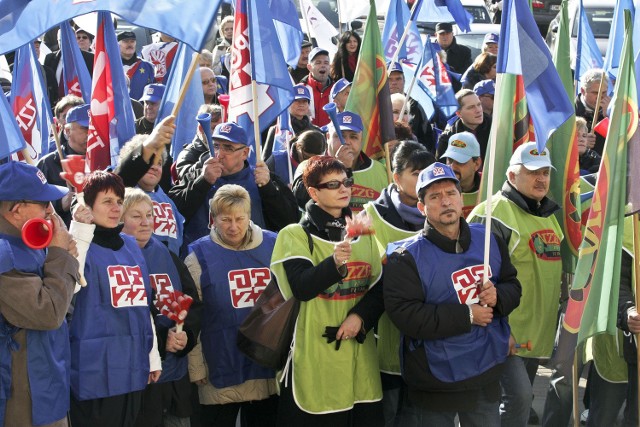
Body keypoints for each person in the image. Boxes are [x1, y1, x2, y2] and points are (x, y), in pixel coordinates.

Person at [383, 162, 521, 426]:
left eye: (450, 193)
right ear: (422, 207)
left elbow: (512, 285)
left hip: (485, 369)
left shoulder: (489, 239)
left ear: (461, 200)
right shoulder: (405, 256)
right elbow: (406, 316)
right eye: (435, 196)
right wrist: (468, 314)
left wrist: (498, 298)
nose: (445, 202)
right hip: (435, 380)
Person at [271, 156, 385, 427]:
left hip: (360, 356)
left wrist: (360, 316)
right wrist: (333, 264)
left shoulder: (364, 230)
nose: (344, 188)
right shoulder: (295, 234)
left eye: (346, 181)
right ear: (313, 192)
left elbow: (380, 286)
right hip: (315, 356)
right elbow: (301, 288)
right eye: (333, 184)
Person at [467, 142, 563, 426]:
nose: (541, 179)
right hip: (502, 332)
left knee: (517, 401)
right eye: (533, 172)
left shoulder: (546, 213)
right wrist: (497, 327)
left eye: (545, 172)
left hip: (535, 333)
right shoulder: (493, 214)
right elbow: (474, 279)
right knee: (519, 399)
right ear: (511, 176)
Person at [69, 171, 161, 427]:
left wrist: (152, 356)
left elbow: (143, 306)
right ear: (88, 205)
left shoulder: (132, 246)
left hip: (131, 366)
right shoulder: (75, 241)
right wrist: (80, 229)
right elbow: (69, 286)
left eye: (119, 201)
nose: (115, 208)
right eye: (107, 201)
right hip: (93, 370)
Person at [186, 184, 279, 427]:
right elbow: (191, 318)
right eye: (225, 219)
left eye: (240, 218)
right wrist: (196, 368)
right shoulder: (198, 255)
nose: (234, 226)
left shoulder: (275, 246)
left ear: (250, 216)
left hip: (267, 366)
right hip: (220, 364)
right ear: (213, 219)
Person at [0, 162, 79, 427]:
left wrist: (61, 257)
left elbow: (66, 304)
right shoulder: (3, 254)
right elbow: (48, 313)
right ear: (17, 209)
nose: (50, 209)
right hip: (19, 398)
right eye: (43, 202)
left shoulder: (29, 241)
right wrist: (60, 256)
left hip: (45, 386)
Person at [363, 141, 435, 426]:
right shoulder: (370, 215)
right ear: (396, 177)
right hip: (383, 332)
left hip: (426, 335)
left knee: (416, 416)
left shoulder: (439, 215)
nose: (424, 180)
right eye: (417, 173)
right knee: (387, 412)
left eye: (429, 172)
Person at [121, 189, 202, 427]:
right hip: (136, 382)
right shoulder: (113, 258)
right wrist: (162, 338)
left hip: (174, 376)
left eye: (149, 214)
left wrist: (186, 335)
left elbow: (193, 305)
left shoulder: (167, 255)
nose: (145, 222)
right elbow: (121, 319)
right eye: (136, 216)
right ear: (120, 219)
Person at [168, 121, 299, 247]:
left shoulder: (263, 178)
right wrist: (202, 182)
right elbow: (172, 215)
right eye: (216, 146)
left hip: (251, 259)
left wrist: (268, 188)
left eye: (228, 148)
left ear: (244, 153)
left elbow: (290, 223)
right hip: (205, 258)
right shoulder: (197, 175)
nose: (219, 154)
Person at [118, 135, 185, 256]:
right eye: (149, 161)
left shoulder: (169, 202)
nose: (154, 167)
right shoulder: (119, 193)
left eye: (159, 163)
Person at [37, 103, 90, 226]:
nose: (91, 132)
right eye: (85, 128)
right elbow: (33, 203)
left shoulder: (105, 159)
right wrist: (60, 204)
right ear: (67, 131)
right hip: (64, 235)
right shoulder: (48, 163)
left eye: (94, 127)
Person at [327, 111, 388, 212]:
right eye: (340, 136)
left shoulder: (382, 171)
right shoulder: (309, 167)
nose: (346, 142)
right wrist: (341, 168)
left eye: (353, 137)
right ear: (328, 137)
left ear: (361, 141)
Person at [262, 84, 321, 162]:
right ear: (288, 103)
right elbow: (266, 160)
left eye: (305, 101)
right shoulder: (277, 130)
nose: (301, 104)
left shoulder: (316, 131)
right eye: (297, 101)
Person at [387, 62, 436, 152]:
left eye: (398, 79)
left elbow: (427, 138)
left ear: (404, 81)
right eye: (390, 79)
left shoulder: (415, 107)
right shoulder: (376, 106)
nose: (394, 83)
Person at [436, 89, 492, 160]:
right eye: (471, 107)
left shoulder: (496, 128)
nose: (478, 110)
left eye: (479, 104)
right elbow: (442, 168)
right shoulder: (448, 137)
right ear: (459, 113)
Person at [174, 104, 223, 183]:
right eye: (215, 128)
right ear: (201, 128)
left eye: (222, 127)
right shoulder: (187, 153)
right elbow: (184, 178)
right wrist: (208, 157)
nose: (220, 133)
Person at [440, 132, 483, 217]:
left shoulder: (489, 188)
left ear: (477, 163)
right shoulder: (438, 188)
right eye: (450, 160)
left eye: (460, 161)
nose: (452, 167)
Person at [575, 68, 610, 155]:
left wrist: (610, 116)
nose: (600, 97)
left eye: (604, 92)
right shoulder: (571, 112)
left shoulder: (614, 110)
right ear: (583, 91)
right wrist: (581, 144)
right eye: (596, 93)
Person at [301, 47, 334, 127]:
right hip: (310, 136)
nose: (323, 66)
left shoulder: (338, 90)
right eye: (318, 63)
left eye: (326, 63)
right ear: (309, 67)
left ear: (330, 67)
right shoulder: (301, 90)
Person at [118, 31, 156, 100]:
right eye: (125, 41)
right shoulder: (112, 67)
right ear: (117, 44)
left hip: (140, 109)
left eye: (132, 41)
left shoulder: (148, 67)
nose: (130, 44)